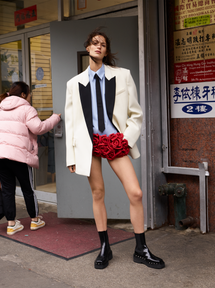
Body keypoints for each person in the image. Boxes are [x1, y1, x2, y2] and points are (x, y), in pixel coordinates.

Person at [65, 28, 165, 269]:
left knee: (136, 193)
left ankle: (141, 248)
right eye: (94, 43)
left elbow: (136, 114)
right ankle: (104, 248)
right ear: (87, 48)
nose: (98, 47)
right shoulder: (74, 84)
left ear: (106, 51)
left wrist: (126, 139)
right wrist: (72, 155)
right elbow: (71, 122)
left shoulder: (122, 76)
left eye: (103, 44)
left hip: (114, 142)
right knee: (98, 194)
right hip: (89, 145)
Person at [0, 81, 61, 236]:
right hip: (19, 156)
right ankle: (35, 220)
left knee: (8, 190)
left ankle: (11, 224)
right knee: (27, 188)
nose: (30, 97)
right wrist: (55, 118)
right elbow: (38, 128)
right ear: (23, 95)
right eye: (29, 94)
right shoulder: (27, 109)